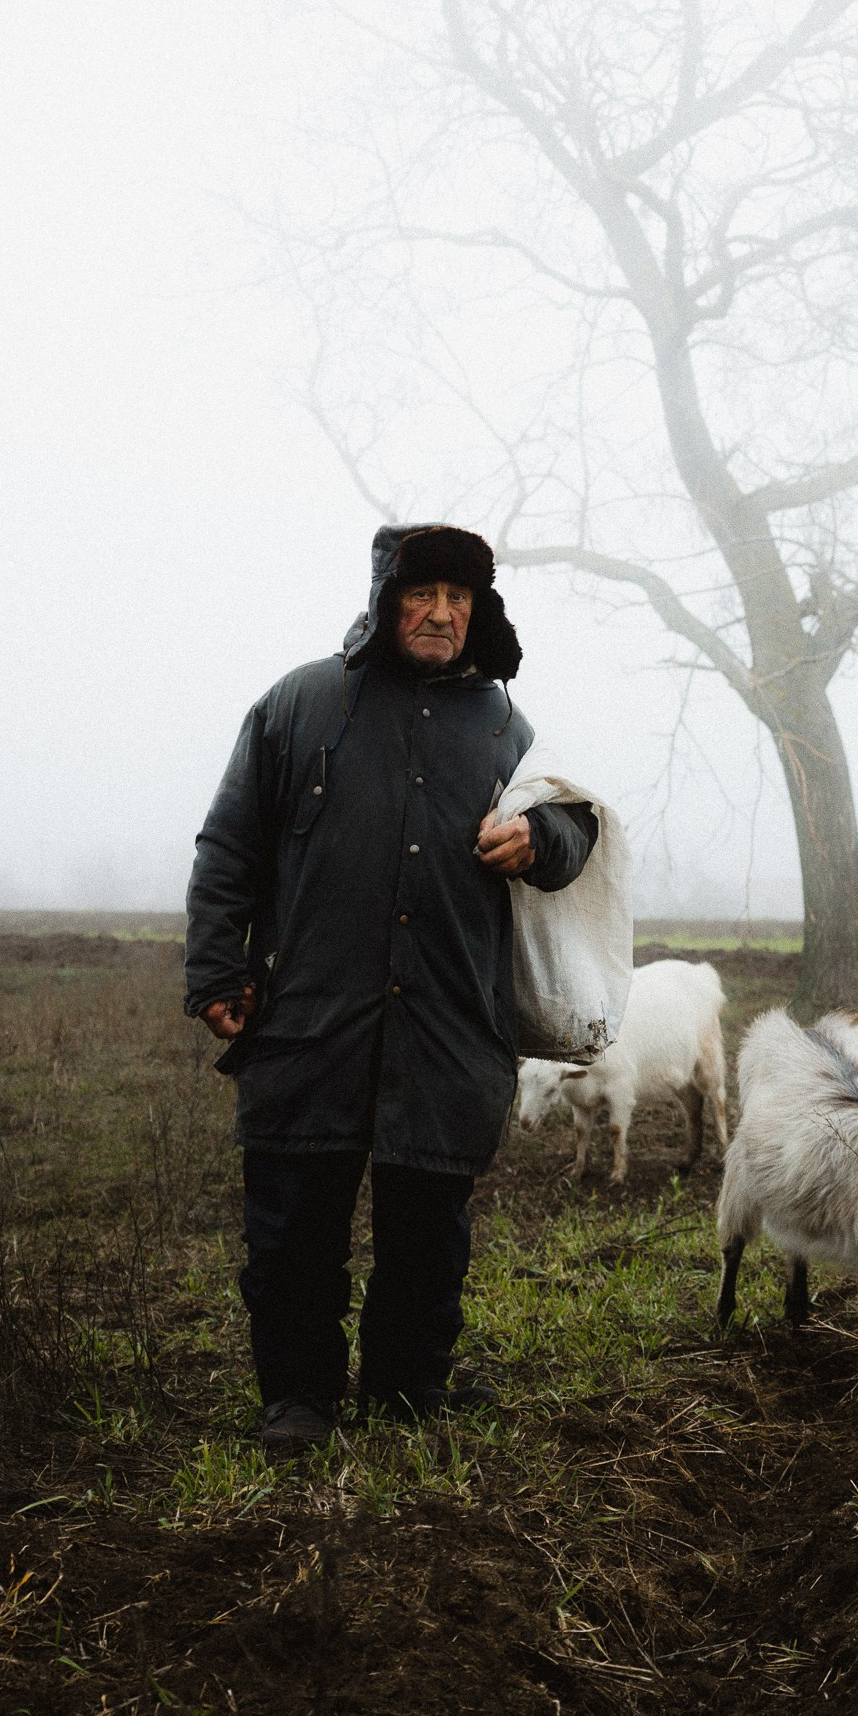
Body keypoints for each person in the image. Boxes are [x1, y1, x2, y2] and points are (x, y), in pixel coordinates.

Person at [185, 524, 597, 1450]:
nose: (444, 614)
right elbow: (229, 848)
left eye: (461, 599)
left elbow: (573, 827)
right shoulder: (301, 704)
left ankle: (408, 1393)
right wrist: (217, 968)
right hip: (312, 1021)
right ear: (385, 602)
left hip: (448, 1023)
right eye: (424, 595)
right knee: (292, 1231)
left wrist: (543, 840)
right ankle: (298, 1400)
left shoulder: (503, 727)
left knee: (427, 1235)